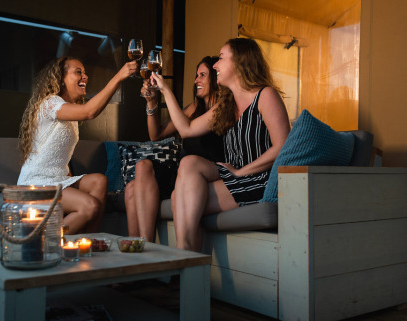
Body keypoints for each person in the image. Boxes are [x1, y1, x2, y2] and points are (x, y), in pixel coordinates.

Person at [151, 38, 291, 252]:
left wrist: (242, 172)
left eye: (222, 58)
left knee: (182, 199)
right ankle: (186, 253)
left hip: (259, 178)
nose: (215, 64)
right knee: (189, 163)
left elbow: (282, 146)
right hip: (233, 174)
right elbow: (186, 129)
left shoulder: (265, 95)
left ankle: (185, 259)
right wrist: (165, 90)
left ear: (240, 62)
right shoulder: (227, 105)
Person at [18, 56, 138, 234]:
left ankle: (87, 243)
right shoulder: (50, 103)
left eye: (85, 73)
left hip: (57, 180)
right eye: (78, 72)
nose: (85, 77)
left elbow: (59, 157)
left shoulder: (68, 111)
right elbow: (89, 112)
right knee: (90, 206)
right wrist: (119, 76)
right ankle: (43, 242)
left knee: (99, 180)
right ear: (61, 78)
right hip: (37, 183)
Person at [124, 56, 224, 242]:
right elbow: (156, 135)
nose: (196, 81)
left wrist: (166, 90)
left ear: (216, 78)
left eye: (202, 75)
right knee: (137, 175)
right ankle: (140, 248)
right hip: (182, 173)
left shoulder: (222, 108)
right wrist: (152, 104)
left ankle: (145, 248)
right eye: (196, 75)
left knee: (134, 186)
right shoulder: (192, 108)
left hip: (205, 173)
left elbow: (185, 131)